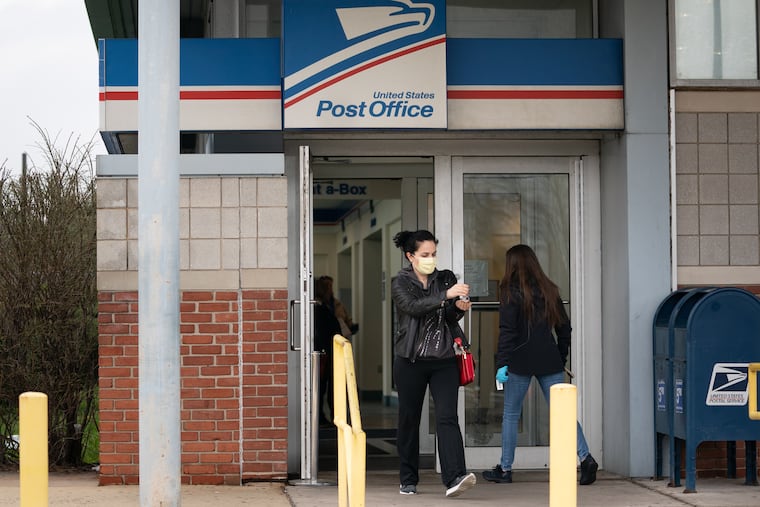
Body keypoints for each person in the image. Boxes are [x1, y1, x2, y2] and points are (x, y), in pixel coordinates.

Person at [482, 244, 598, 485]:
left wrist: (501, 363)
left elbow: (507, 332)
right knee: (563, 414)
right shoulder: (549, 290)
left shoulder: (509, 291)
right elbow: (564, 328)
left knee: (511, 415)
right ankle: (586, 458)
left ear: (511, 265)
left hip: (518, 361)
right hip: (549, 360)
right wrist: (560, 356)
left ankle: (505, 469)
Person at [391, 229, 477, 497]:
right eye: (425, 254)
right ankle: (408, 478)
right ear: (411, 256)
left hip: (444, 360)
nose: (431, 259)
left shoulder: (445, 278)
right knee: (409, 419)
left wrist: (457, 309)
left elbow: (448, 318)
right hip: (410, 361)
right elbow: (414, 308)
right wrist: (445, 296)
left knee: (447, 417)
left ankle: (455, 478)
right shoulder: (400, 283)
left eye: (434, 254)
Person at [314, 276, 342, 425]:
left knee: (326, 386)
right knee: (321, 386)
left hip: (330, 351)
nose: (332, 290)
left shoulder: (331, 305)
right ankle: (320, 416)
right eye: (329, 287)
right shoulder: (320, 308)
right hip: (325, 351)